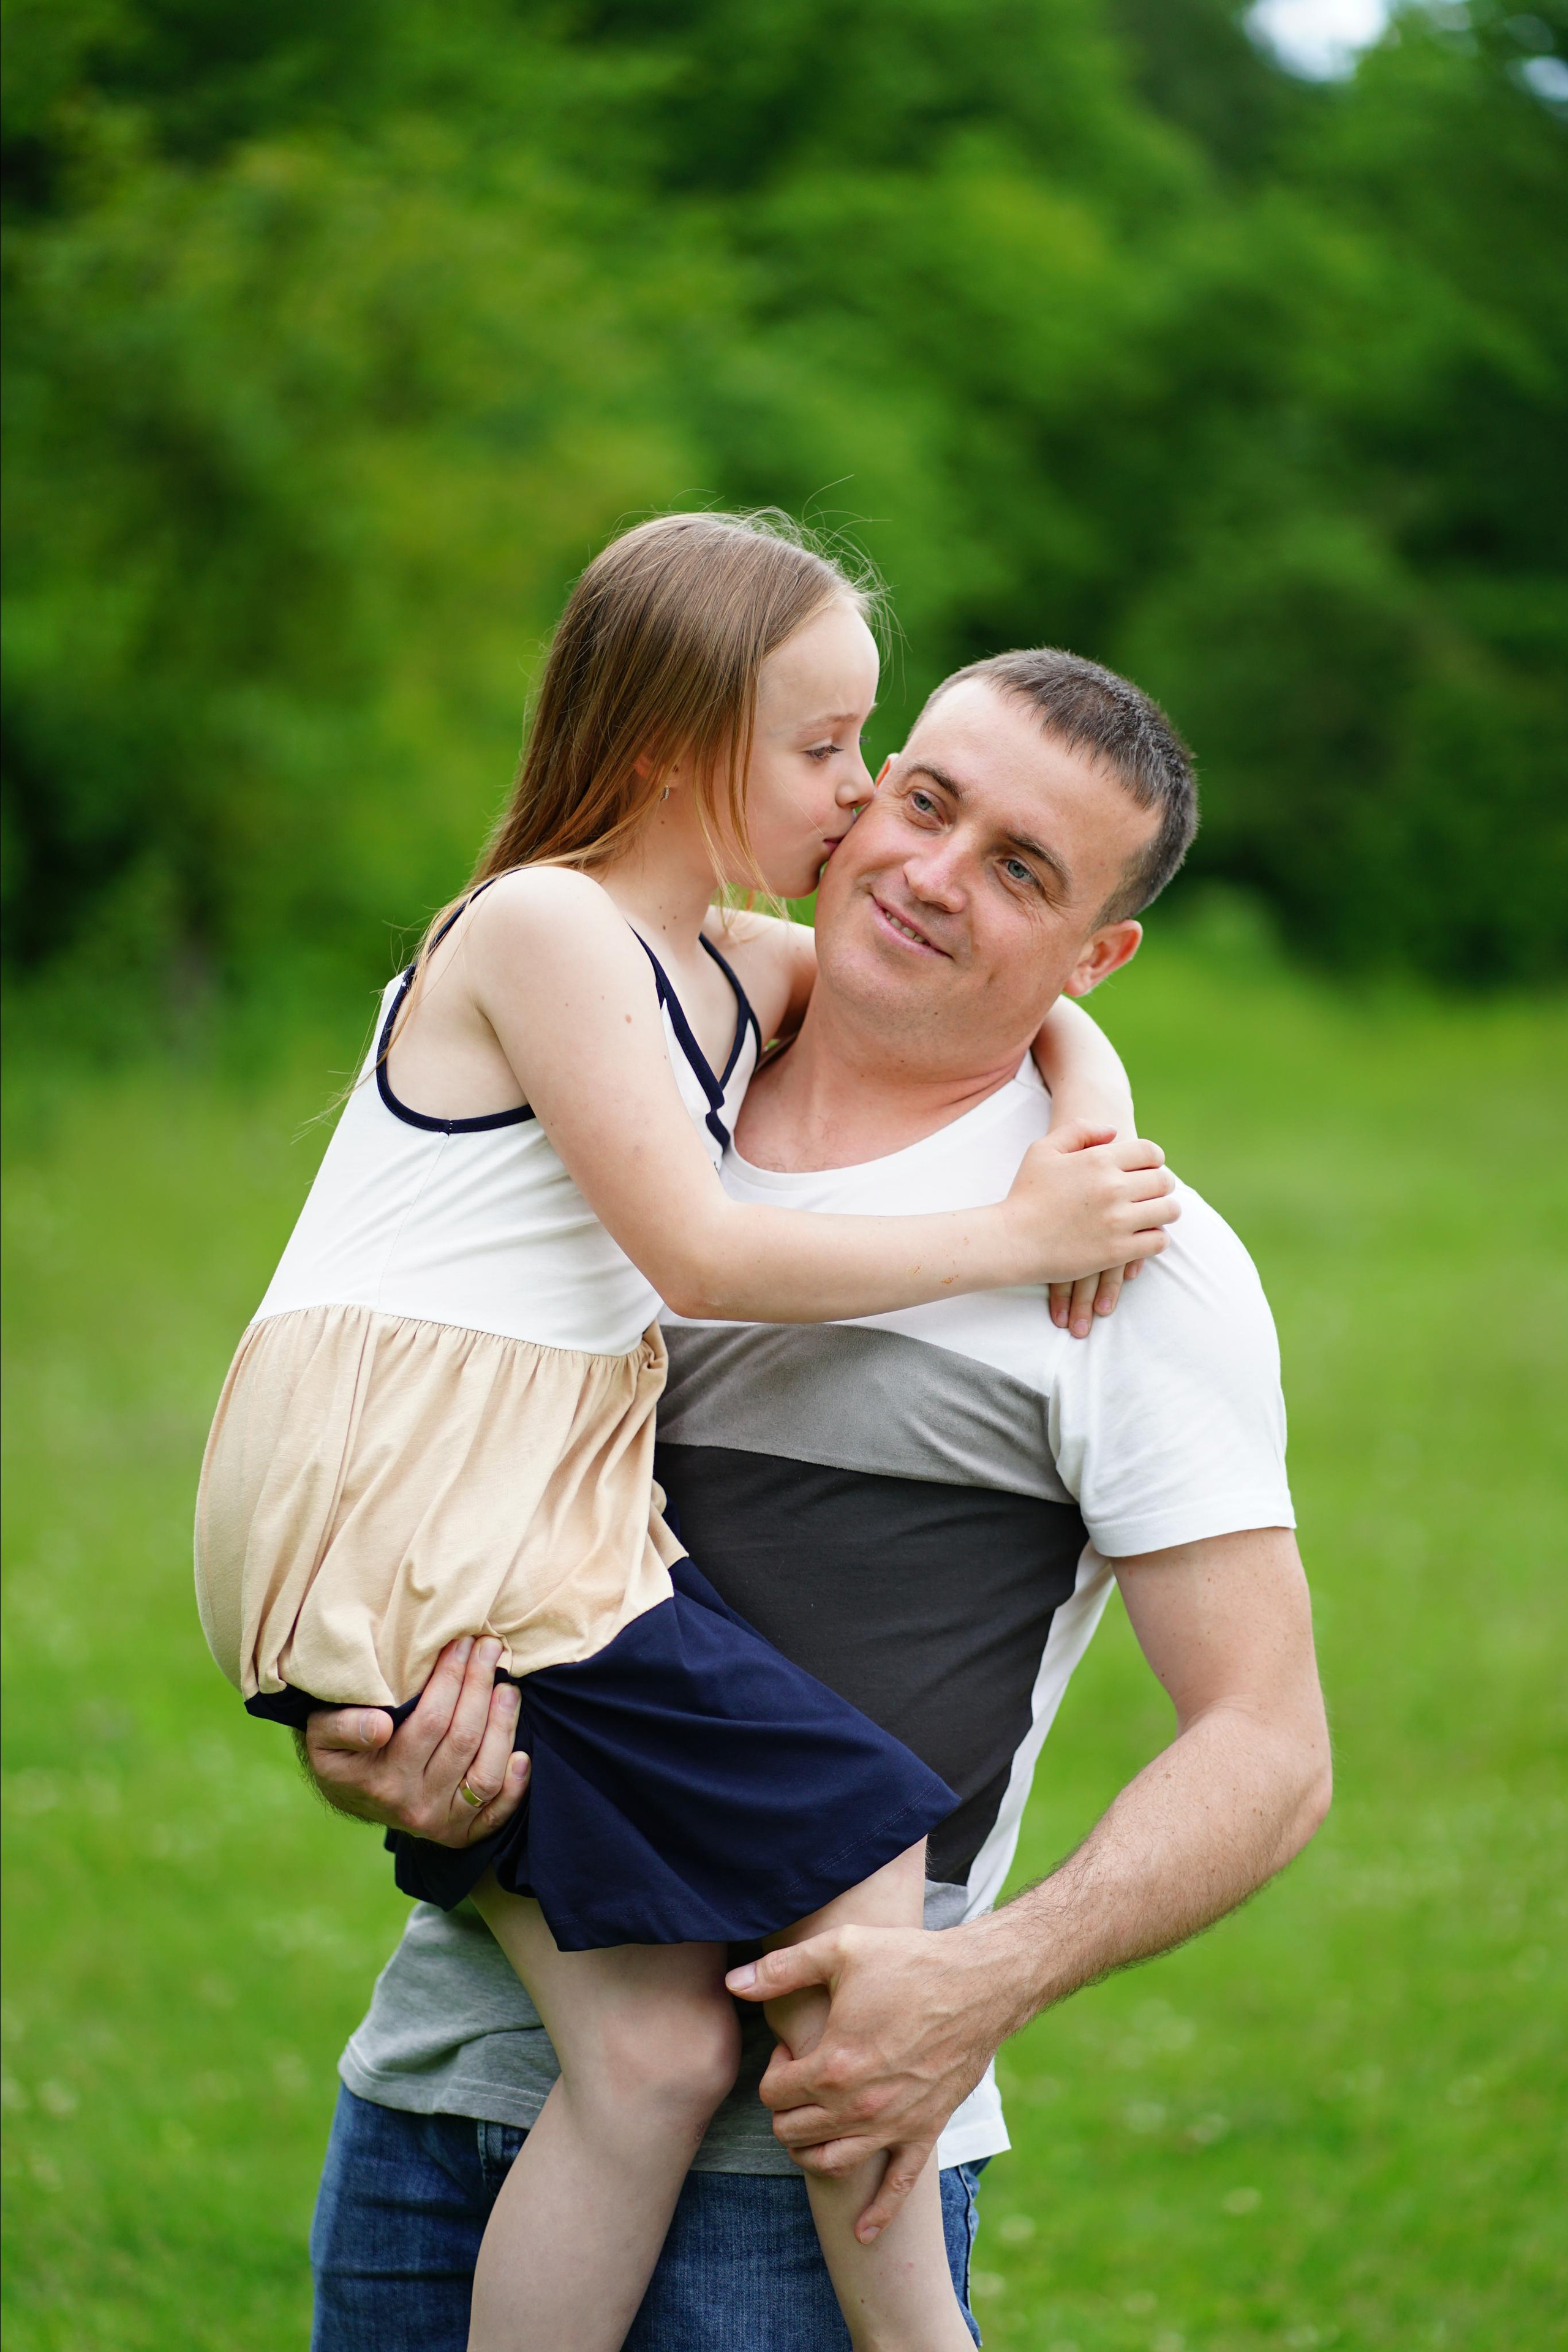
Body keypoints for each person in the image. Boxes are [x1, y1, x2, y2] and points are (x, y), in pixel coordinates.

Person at [193, 517, 1177, 2352]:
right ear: (667, 749)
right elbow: (703, 1254)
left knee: (647, 2057)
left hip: (482, 1488)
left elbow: (1028, 1029)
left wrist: (1094, 1105)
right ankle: (912, 2334)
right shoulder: (547, 925)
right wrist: (1030, 1234)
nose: (861, 791)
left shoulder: (715, 965)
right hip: (425, 1477)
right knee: (865, 1843)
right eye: (826, 748)